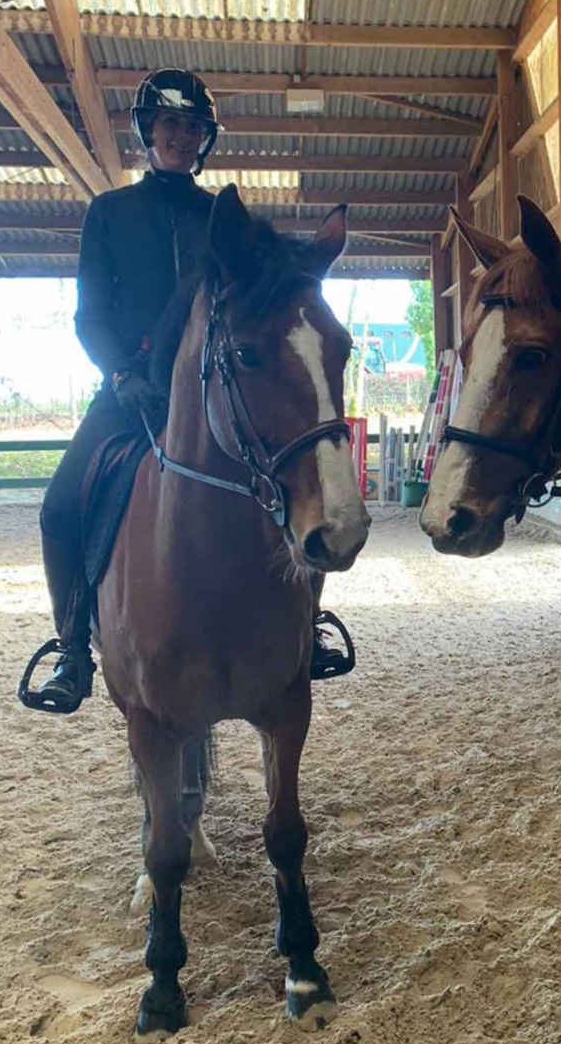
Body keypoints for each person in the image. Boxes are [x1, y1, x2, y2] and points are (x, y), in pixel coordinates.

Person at [20, 68, 352, 714]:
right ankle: (72, 648)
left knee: (291, 482)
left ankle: (304, 627)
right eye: (170, 124)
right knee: (60, 508)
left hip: (215, 392)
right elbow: (91, 315)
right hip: (130, 394)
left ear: (205, 139)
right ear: (148, 131)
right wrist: (121, 375)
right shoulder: (110, 213)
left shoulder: (223, 218)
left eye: (193, 127)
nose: (181, 136)